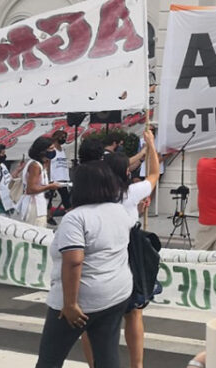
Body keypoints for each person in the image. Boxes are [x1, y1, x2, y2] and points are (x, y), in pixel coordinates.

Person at [35, 161, 133, 368]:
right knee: (107, 355)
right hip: (117, 293)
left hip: (82, 301)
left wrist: (70, 304)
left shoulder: (76, 218)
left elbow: (73, 261)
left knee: (49, 359)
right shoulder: (119, 210)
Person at [82, 129, 160, 368]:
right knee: (134, 312)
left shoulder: (89, 192)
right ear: (125, 173)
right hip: (125, 257)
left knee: (90, 320)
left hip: (95, 256)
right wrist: (151, 147)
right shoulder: (129, 192)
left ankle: (93, 363)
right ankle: (136, 365)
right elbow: (154, 174)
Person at [19, 137, 61, 228]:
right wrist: (49, 186)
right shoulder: (35, 166)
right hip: (34, 207)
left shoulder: (40, 164)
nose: (53, 151)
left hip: (39, 205)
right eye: (51, 149)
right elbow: (31, 189)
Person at [48, 130, 72, 213]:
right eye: (62, 137)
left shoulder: (62, 149)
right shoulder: (52, 149)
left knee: (65, 197)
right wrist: (49, 178)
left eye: (65, 137)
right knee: (49, 198)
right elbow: (48, 163)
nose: (64, 139)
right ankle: (48, 215)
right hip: (54, 178)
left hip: (62, 177)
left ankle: (68, 211)